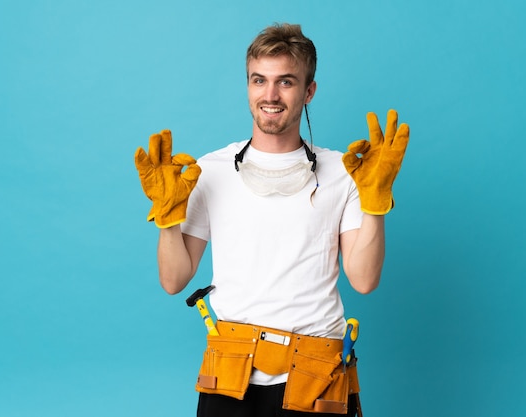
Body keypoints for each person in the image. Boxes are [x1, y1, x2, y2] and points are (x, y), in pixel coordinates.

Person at [135, 23, 409, 417]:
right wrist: (166, 217)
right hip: (230, 376)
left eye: (286, 82)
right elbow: (174, 279)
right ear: (247, 86)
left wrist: (376, 202)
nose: (270, 95)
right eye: (259, 80)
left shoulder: (346, 172)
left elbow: (364, 280)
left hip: (317, 376)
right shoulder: (208, 171)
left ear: (309, 91)